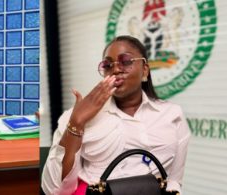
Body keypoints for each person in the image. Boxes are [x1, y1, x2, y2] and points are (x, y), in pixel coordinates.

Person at [41, 35, 190, 194]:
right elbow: (54, 189)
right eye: (108, 65)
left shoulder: (172, 113)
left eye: (126, 61)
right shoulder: (75, 116)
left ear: (145, 69)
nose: (116, 69)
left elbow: (174, 181)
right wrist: (77, 123)